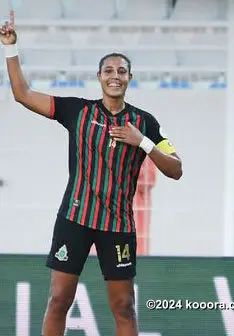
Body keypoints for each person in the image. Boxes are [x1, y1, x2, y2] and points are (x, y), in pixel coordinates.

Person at [1, 10, 182, 336]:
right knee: (58, 300)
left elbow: (176, 169)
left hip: (117, 226)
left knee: (124, 307)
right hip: (75, 219)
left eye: (122, 71)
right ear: (98, 76)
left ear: (130, 78)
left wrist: (142, 143)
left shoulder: (145, 123)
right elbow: (22, 94)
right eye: (109, 70)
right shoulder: (77, 111)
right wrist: (10, 48)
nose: (115, 75)